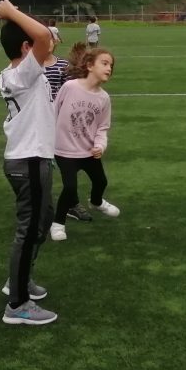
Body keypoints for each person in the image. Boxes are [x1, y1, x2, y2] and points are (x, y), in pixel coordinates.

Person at [0, 0, 58, 326]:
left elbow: (45, 40)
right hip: (29, 160)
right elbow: (44, 36)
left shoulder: (19, 73)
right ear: (25, 47)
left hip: (32, 158)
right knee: (29, 228)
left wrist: (17, 19)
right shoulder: (23, 73)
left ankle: (19, 280)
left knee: (42, 220)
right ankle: (17, 304)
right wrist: (13, 13)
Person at [50, 45, 119, 242]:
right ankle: (58, 224)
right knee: (70, 188)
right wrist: (47, 141)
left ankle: (96, 202)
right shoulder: (70, 87)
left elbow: (102, 128)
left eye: (111, 65)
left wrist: (100, 146)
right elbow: (53, 112)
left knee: (101, 181)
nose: (109, 68)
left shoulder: (104, 98)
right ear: (90, 65)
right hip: (64, 151)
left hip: (88, 152)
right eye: (104, 63)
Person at [44, 31, 92, 224]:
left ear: (55, 41)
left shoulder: (63, 66)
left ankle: (72, 203)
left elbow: (73, 93)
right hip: (38, 124)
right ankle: (41, 205)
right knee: (41, 169)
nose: (47, 43)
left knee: (68, 167)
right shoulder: (30, 67)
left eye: (50, 39)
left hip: (60, 125)